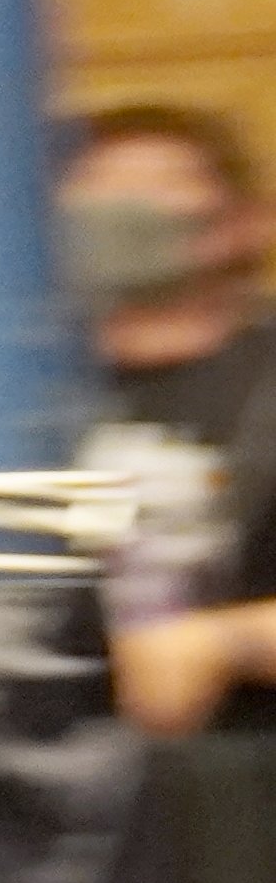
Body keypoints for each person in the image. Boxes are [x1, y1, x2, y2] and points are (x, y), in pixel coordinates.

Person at [51, 103, 276, 734]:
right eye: (96, 183)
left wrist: (224, 643)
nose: (122, 206)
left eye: (159, 182)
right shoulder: (8, 384)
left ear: (244, 222)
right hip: (56, 759)